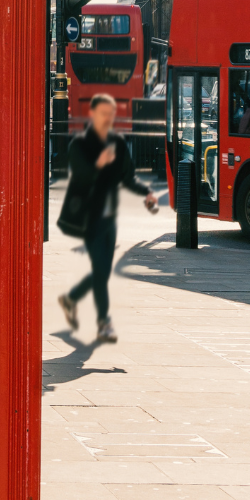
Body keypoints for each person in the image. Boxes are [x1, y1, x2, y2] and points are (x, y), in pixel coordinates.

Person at [57, 93, 157, 345]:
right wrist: (99, 164)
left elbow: (127, 178)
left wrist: (146, 193)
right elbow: (80, 177)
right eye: (104, 113)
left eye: (112, 114)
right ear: (92, 114)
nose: (108, 118)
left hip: (109, 218)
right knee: (101, 272)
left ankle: (71, 299)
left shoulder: (117, 144)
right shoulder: (79, 145)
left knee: (102, 271)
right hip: (88, 217)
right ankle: (104, 322)